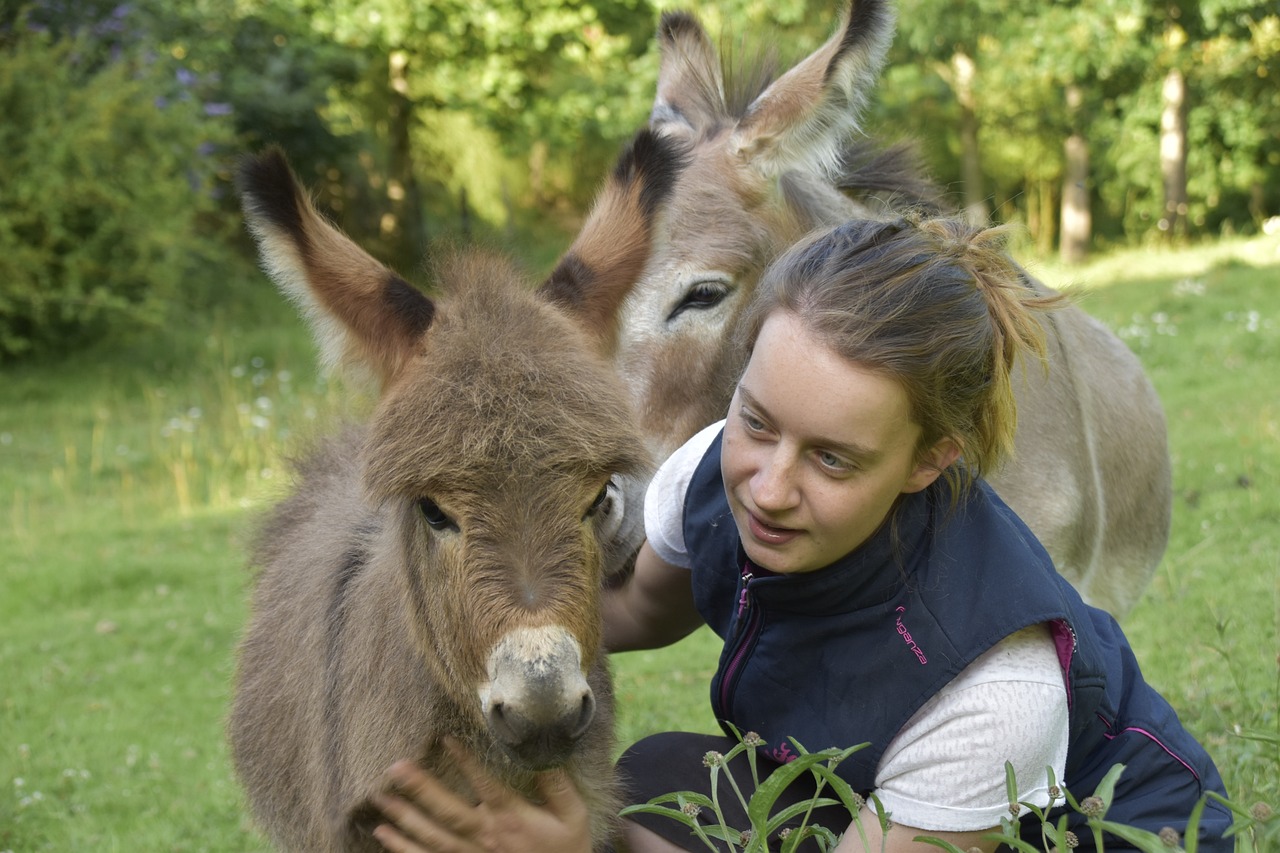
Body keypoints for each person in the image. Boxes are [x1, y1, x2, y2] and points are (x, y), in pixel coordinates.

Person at [370, 217, 1233, 853]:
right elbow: (630, 610)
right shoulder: (717, 469)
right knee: (673, 776)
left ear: (930, 460)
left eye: (832, 458)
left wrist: (593, 849)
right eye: (758, 418)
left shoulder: (996, 685)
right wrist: (465, 617)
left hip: (1109, 831)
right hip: (854, 787)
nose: (769, 489)